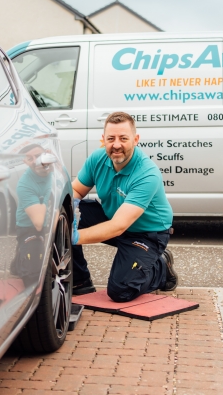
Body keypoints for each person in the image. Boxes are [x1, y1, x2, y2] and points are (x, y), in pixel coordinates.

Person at [71, 111, 177, 302]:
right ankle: (80, 282)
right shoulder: (97, 159)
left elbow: (118, 226)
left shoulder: (147, 174)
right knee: (64, 215)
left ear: (135, 139)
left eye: (123, 138)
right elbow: (75, 191)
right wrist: (61, 217)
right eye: (111, 138)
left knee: (121, 291)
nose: (116, 145)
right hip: (113, 219)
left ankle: (160, 267)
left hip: (146, 233)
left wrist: (71, 237)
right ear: (103, 140)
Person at [11, 143, 54, 284]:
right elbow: (38, 223)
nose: (36, 161)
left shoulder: (54, 169)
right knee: (33, 278)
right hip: (28, 227)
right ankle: (22, 256)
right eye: (30, 158)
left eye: (38, 156)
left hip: (45, 222)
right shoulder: (25, 185)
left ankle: (21, 255)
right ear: (26, 162)